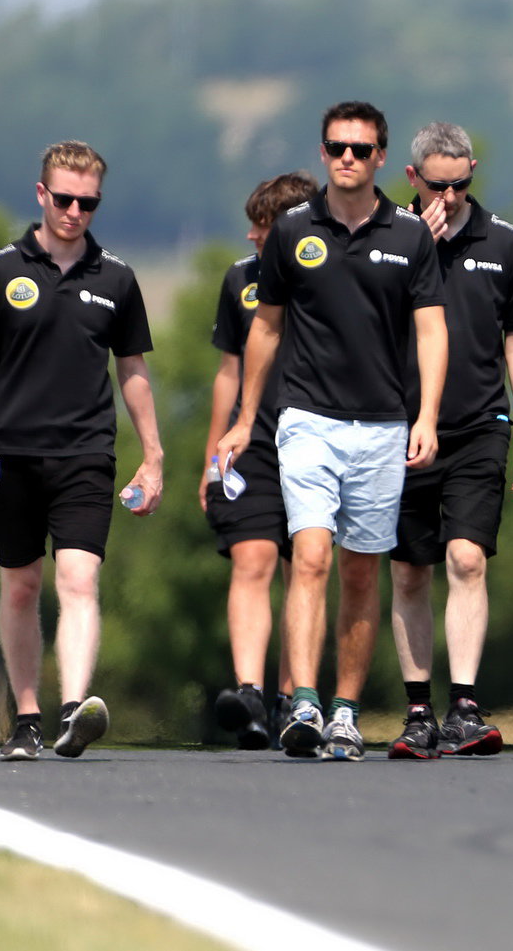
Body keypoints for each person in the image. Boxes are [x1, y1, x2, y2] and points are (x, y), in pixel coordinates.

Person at [215, 100, 448, 762]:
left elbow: (432, 328)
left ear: (380, 157)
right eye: (337, 146)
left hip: (381, 423)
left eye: (360, 148)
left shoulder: (409, 234)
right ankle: (306, 701)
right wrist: (242, 420)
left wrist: (427, 414)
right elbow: (264, 326)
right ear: (324, 153)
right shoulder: (291, 230)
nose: (347, 157)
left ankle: (346, 710)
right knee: (310, 554)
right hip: (307, 418)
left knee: (361, 570)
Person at [0, 140, 162, 761]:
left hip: (86, 452)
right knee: (20, 585)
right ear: (41, 194)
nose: (75, 212)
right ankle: (26, 717)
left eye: (88, 203)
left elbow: (133, 370)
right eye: (64, 199)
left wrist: (153, 456)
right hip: (9, 450)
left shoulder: (117, 277)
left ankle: (74, 710)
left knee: (78, 576)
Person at [387, 123, 513, 759]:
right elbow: (364, 323)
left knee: (467, 559)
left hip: (480, 424)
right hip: (397, 429)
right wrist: (411, 256)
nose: (449, 197)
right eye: (436, 185)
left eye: (460, 184)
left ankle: (465, 704)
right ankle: (418, 708)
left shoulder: (504, 242)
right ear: (412, 178)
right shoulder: (388, 241)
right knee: (408, 571)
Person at [203, 171, 319, 749]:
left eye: (263, 225)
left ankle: (293, 700)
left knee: (307, 569)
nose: (251, 236)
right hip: (250, 446)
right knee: (252, 560)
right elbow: (227, 372)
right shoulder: (240, 281)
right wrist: (211, 455)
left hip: (318, 441)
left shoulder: (332, 278)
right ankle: (248, 692)